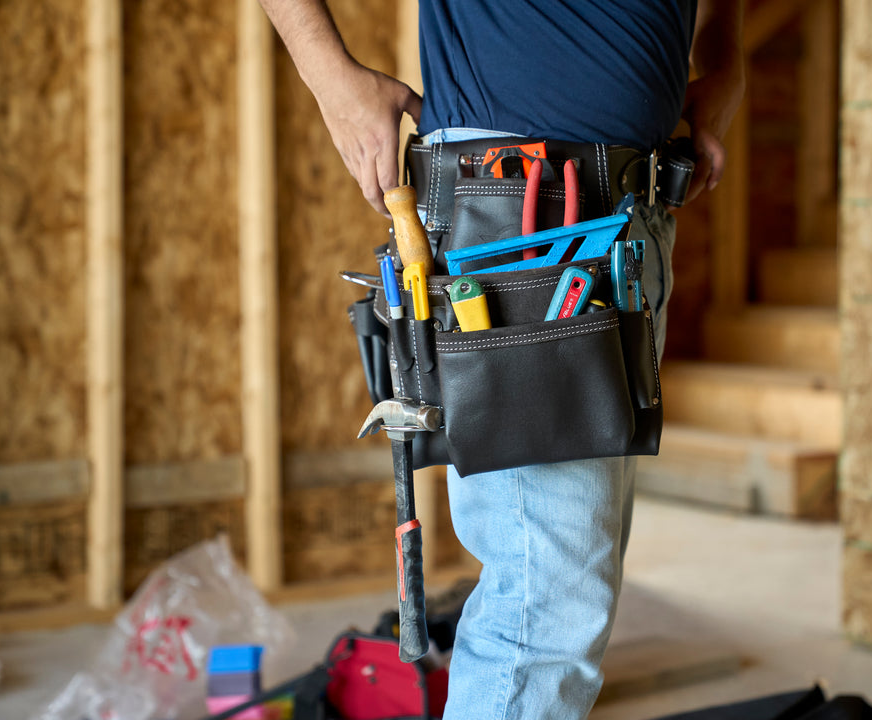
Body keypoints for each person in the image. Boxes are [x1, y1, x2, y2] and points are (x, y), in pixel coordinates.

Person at [258, 2, 745, 718]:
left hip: (632, 215)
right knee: (543, 608)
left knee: (569, 583)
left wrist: (726, 62)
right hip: (515, 197)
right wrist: (329, 75)